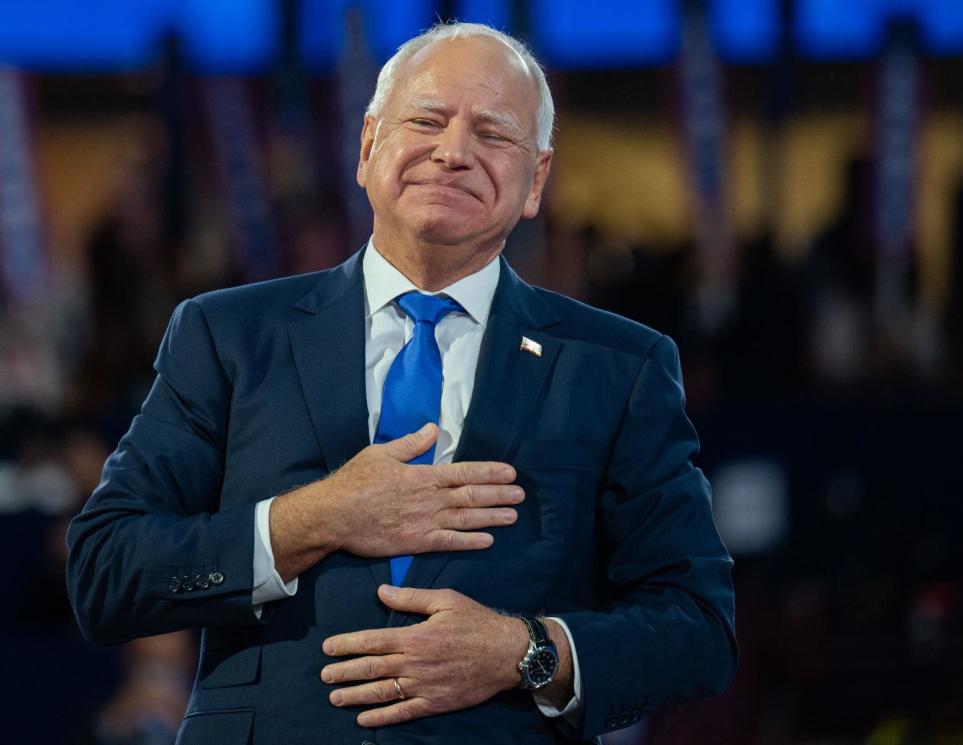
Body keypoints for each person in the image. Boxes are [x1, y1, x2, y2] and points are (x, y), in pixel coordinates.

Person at [66, 22, 736, 745]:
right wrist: (312, 518)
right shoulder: (227, 335)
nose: (454, 152)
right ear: (366, 148)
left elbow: (698, 627)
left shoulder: (617, 366)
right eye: (426, 120)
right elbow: (106, 572)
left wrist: (527, 650)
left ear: (536, 179)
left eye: (493, 133)